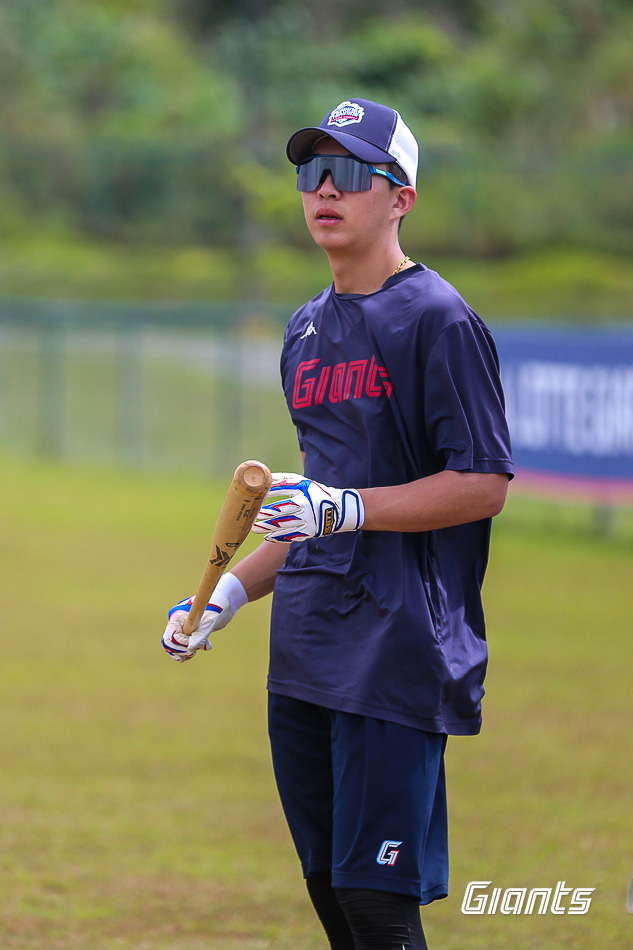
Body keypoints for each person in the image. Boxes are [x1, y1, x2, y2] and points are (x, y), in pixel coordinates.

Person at [162, 97, 514, 950]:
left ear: (400, 198)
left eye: (351, 172)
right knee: (330, 895)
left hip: (398, 649)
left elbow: (483, 483)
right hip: (307, 650)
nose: (325, 189)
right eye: (311, 172)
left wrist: (349, 507)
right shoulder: (305, 331)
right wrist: (229, 597)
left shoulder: (438, 319)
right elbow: (312, 505)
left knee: (376, 903)